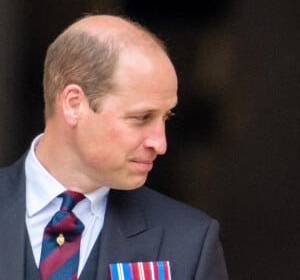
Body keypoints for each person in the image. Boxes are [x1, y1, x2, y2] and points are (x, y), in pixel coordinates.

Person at [0, 14, 228, 279]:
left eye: (166, 117)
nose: (161, 143)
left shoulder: (188, 242)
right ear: (74, 104)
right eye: (142, 117)